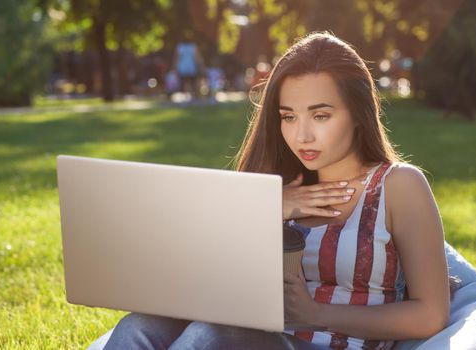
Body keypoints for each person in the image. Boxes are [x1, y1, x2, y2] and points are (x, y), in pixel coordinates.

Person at [102, 31, 450, 349]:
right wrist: (267, 207)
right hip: (257, 336)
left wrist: (316, 314)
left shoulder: (398, 185)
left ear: (358, 113)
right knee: (138, 327)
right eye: (288, 117)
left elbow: (431, 314)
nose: (302, 136)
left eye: (321, 116)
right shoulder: (275, 185)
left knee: (208, 337)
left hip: (332, 343)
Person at [172, 31, 205, 101]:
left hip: (183, 67)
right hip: (191, 67)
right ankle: (192, 96)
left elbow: (176, 59)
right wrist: (201, 66)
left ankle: (188, 96)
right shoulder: (193, 47)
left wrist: (175, 68)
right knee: (191, 82)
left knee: (186, 82)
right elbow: (198, 58)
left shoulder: (180, 47)